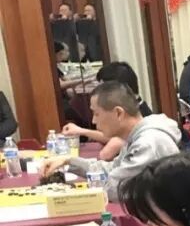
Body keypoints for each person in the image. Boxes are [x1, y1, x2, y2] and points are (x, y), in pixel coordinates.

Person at [38, 81, 180, 202]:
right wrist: (68, 161)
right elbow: (111, 169)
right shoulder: (135, 136)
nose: (93, 120)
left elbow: (114, 190)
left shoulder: (148, 143)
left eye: (96, 113)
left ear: (118, 113)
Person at [62, 61, 155, 162]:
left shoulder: (140, 122)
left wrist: (82, 131)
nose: (94, 120)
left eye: (103, 88)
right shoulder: (137, 108)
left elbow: (107, 153)